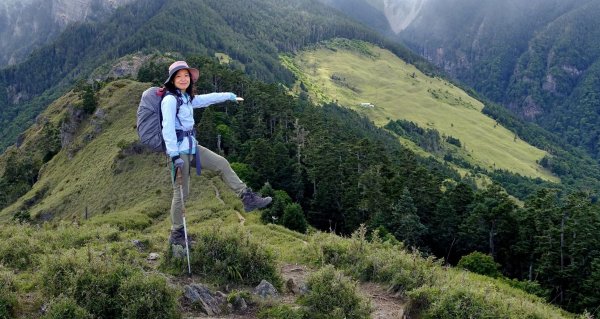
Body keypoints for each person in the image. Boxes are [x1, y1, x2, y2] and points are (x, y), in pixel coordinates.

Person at [161, 61, 272, 246]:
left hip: (192, 148)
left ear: (190, 78)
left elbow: (207, 98)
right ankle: (177, 234)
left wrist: (229, 96)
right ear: (172, 80)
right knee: (181, 193)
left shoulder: (186, 98)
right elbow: (167, 129)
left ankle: (247, 197)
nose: (183, 79)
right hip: (179, 153)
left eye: (186, 75)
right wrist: (174, 156)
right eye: (178, 76)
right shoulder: (170, 100)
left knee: (221, 164)